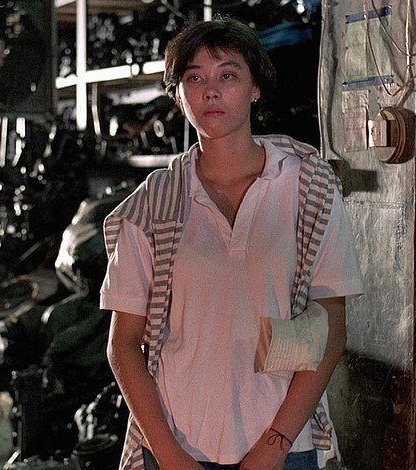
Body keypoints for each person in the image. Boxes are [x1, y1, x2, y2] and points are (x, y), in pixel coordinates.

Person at [100, 17, 364, 470]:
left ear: (255, 88)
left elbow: (331, 328)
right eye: (194, 78)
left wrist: (275, 444)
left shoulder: (307, 185)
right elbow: (122, 345)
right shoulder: (152, 204)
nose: (210, 91)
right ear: (178, 95)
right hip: (178, 446)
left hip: (283, 447)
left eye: (227, 75)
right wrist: (169, 455)